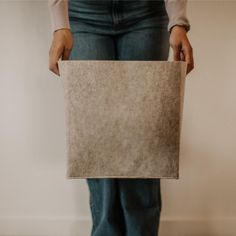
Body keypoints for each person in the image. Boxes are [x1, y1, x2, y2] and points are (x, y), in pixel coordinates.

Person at [48, 1, 194, 235]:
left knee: (143, 141)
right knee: (99, 142)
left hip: (146, 13)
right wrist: (59, 25)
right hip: (84, 16)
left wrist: (178, 21)